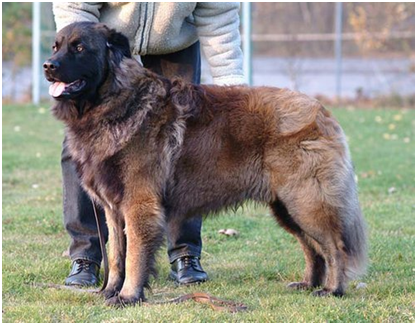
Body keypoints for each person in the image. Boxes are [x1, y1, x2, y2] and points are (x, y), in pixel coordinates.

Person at [52, 2, 245, 287]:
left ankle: (184, 253)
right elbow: (74, 6)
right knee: (79, 148)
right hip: (103, 43)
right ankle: (86, 256)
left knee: (188, 146)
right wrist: (82, 52)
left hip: (174, 42)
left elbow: (219, 16)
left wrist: (233, 92)